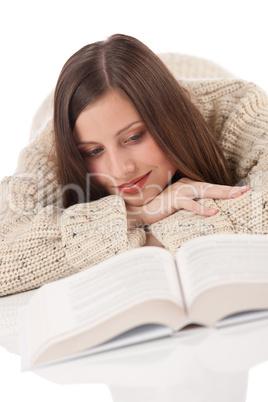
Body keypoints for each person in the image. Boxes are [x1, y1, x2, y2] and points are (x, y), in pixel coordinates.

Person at [0, 34, 267, 297]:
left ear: (170, 120)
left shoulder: (240, 109)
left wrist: (133, 240)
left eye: (134, 137)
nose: (120, 169)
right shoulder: (52, 146)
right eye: (93, 151)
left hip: (194, 73)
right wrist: (139, 216)